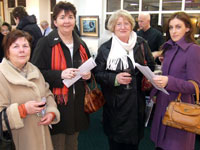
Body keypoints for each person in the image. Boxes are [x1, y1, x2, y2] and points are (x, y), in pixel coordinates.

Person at [31, 1, 91, 150]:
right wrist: (60, 75)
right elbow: (35, 73)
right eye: (62, 17)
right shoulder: (45, 43)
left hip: (77, 103)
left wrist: (88, 75)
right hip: (56, 104)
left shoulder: (81, 43)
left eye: (70, 17)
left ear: (74, 20)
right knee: (57, 145)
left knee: (73, 143)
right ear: (55, 21)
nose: (66, 21)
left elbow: (89, 69)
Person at [94, 9, 155, 150]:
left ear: (131, 25)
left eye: (126, 23)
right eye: (118, 24)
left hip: (137, 103)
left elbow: (151, 65)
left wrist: (146, 74)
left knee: (134, 144)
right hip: (116, 105)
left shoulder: (141, 44)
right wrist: (115, 78)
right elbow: (97, 74)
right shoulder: (105, 48)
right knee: (116, 144)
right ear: (113, 28)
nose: (123, 27)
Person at [0, 29, 60, 150]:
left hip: (43, 138)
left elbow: (47, 93)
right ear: (7, 52)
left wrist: (51, 111)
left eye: (25, 46)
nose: (22, 50)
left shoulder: (34, 70)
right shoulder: (1, 76)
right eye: (16, 46)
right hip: (19, 141)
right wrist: (22, 110)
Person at [150, 12, 200, 150]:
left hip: (180, 108)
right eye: (171, 27)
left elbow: (195, 86)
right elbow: (171, 74)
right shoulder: (169, 48)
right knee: (160, 146)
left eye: (178, 27)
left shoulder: (193, 50)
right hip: (162, 104)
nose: (174, 31)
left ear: (188, 28)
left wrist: (168, 81)